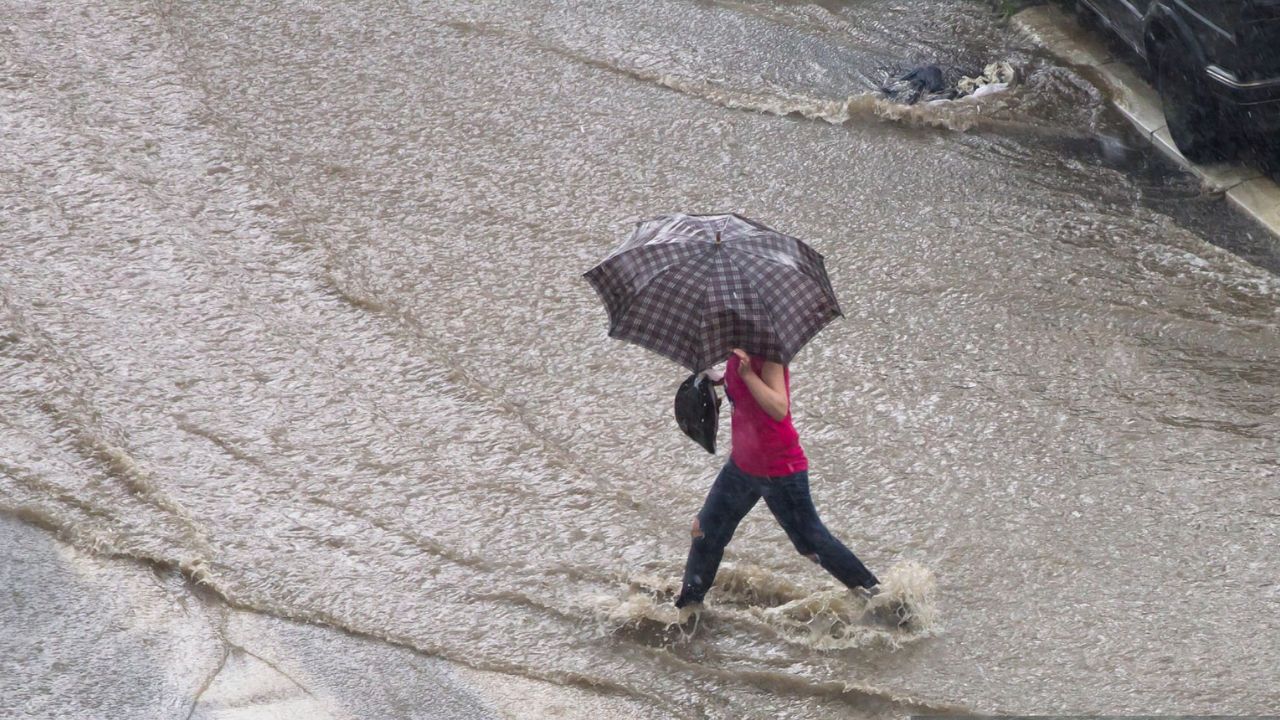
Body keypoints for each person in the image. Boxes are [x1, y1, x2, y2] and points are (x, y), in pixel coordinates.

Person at [674, 348, 881, 609]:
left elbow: (779, 407)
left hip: (780, 469)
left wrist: (749, 376)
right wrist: (713, 376)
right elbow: (735, 384)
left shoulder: (768, 351)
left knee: (810, 543)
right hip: (742, 466)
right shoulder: (736, 351)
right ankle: (689, 611)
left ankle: (878, 599)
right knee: (705, 531)